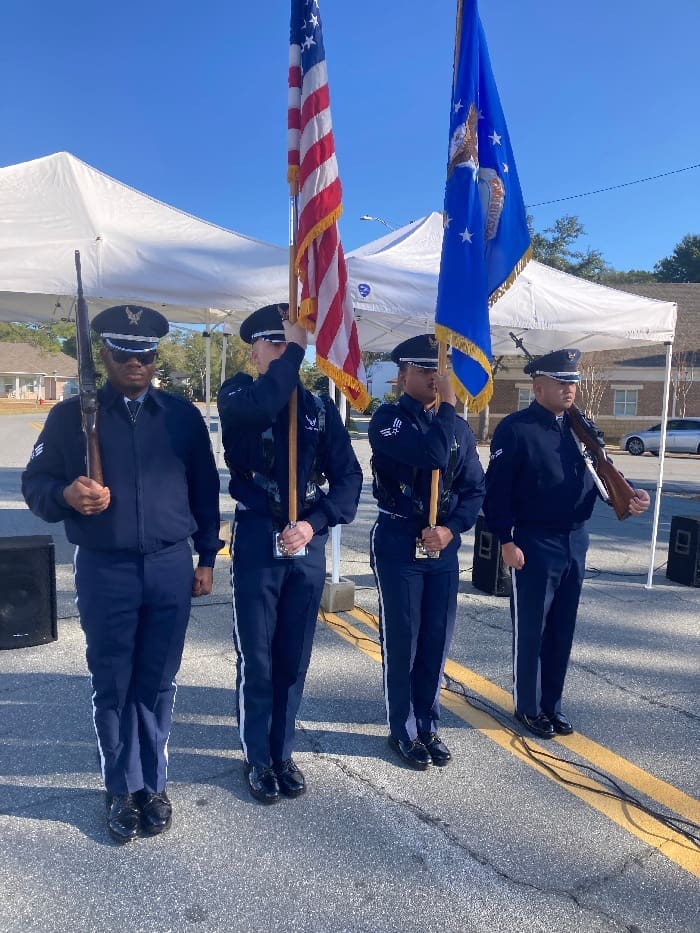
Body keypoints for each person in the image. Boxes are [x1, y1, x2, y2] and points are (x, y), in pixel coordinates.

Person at [22, 305, 222, 842]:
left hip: (168, 565)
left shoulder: (181, 415)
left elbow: (205, 491)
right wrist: (65, 494)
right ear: (104, 356)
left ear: (157, 356)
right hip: (105, 569)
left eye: (147, 353)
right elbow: (35, 485)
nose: (137, 363)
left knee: (157, 681)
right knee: (113, 681)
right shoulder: (70, 417)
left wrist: (207, 556)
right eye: (125, 353)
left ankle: (152, 783)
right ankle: (119, 785)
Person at [217, 303, 362, 803]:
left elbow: (348, 478)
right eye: (274, 345)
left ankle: (282, 751)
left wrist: (314, 523)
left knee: (293, 656)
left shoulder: (319, 410)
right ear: (255, 352)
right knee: (257, 657)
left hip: (306, 544)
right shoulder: (237, 393)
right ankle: (258, 757)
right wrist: (297, 350)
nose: (282, 356)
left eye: (288, 345)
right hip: (260, 539)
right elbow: (264, 406)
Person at [483, 348, 650, 740]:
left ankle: (551, 705)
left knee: (562, 628)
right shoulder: (516, 428)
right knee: (532, 630)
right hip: (534, 539)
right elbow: (497, 493)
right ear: (538, 387)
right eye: (562, 382)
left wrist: (631, 496)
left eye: (572, 382)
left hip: (576, 539)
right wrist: (506, 540)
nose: (570, 388)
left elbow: (603, 474)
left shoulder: (580, 427)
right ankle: (528, 707)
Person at [368, 335, 485, 770]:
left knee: (436, 637)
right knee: (405, 639)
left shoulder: (457, 426)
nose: (436, 378)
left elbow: (474, 488)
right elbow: (433, 454)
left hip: (442, 546)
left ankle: (428, 721)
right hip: (400, 540)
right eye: (425, 370)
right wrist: (450, 408)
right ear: (403, 376)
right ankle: (403, 727)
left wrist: (452, 530)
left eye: (441, 370)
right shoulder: (388, 420)